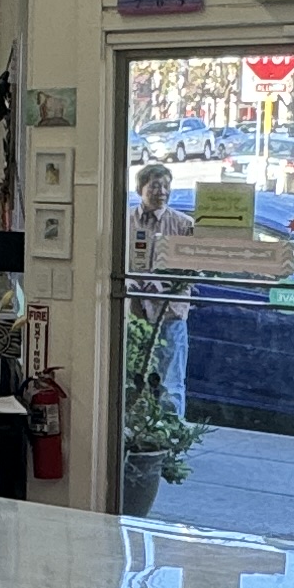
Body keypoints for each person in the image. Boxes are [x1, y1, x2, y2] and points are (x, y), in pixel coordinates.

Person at [129, 162, 195, 417]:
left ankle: (172, 438)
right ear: (140, 188)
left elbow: (191, 272)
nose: (162, 191)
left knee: (171, 382)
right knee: (135, 377)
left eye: (166, 186)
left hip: (170, 315)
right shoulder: (126, 221)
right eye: (155, 185)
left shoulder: (183, 225)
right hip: (136, 315)